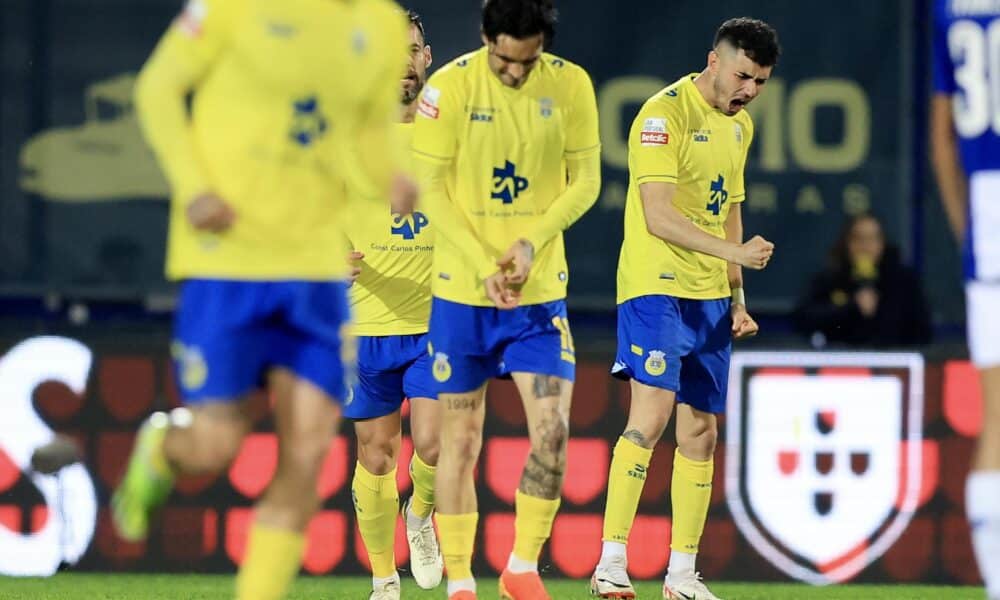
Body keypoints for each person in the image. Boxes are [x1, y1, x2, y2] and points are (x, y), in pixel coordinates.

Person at [109, 1, 410, 599]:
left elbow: (371, 127)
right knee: (214, 445)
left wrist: (390, 175)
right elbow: (157, 89)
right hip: (230, 261)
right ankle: (165, 447)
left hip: (319, 273)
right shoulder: (229, 7)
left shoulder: (381, 24)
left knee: (305, 461)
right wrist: (192, 189)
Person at [411, 0, 601, 597]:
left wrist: (530, 242)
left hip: (538, 296)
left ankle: (520, 567)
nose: (514, 72)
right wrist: (480, 265)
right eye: (503, 59)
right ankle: (462, 581)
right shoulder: (448, 89)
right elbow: (431, 191)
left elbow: (588, 181)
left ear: (542, 44)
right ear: (485, 38)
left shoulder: (571, 85)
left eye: (527, 60)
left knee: (553, 431)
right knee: (459, 442)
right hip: (463, 297)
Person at [589, 17, 778, 600]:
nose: (748, 90)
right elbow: (658, 216)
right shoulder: (662, 115)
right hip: (655, 284)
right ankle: (611, 563)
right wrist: (734, 252)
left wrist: (738, 294)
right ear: (714, 61)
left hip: (711, 296)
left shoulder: (739, 127)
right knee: (651, 414)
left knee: (701, 434)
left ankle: (680, 577)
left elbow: (730, 211)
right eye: (743, 75)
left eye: (761, 82)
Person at [343, 10, 442, 600]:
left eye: (412, 50)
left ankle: (421, 515)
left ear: (426, 56)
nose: (403, 64)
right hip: (366, 317)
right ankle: (384, 578)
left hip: (436, 318)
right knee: (376, 457)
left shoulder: (449, 128)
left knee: (432, 446)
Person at [931, 2, 1000, 598]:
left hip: (987, 214)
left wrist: (970, 237)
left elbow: (941, 140)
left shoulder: (948, 8)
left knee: (996, 422)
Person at [793, 213, 932, 348]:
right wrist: (850, 307)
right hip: (842, 362)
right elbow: (804, 319)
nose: (865, 246)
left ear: (882, 243)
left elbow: (922, 332)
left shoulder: (903, 281)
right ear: (847, 242)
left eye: (872, 238)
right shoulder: (831, 277)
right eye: (858, 238)